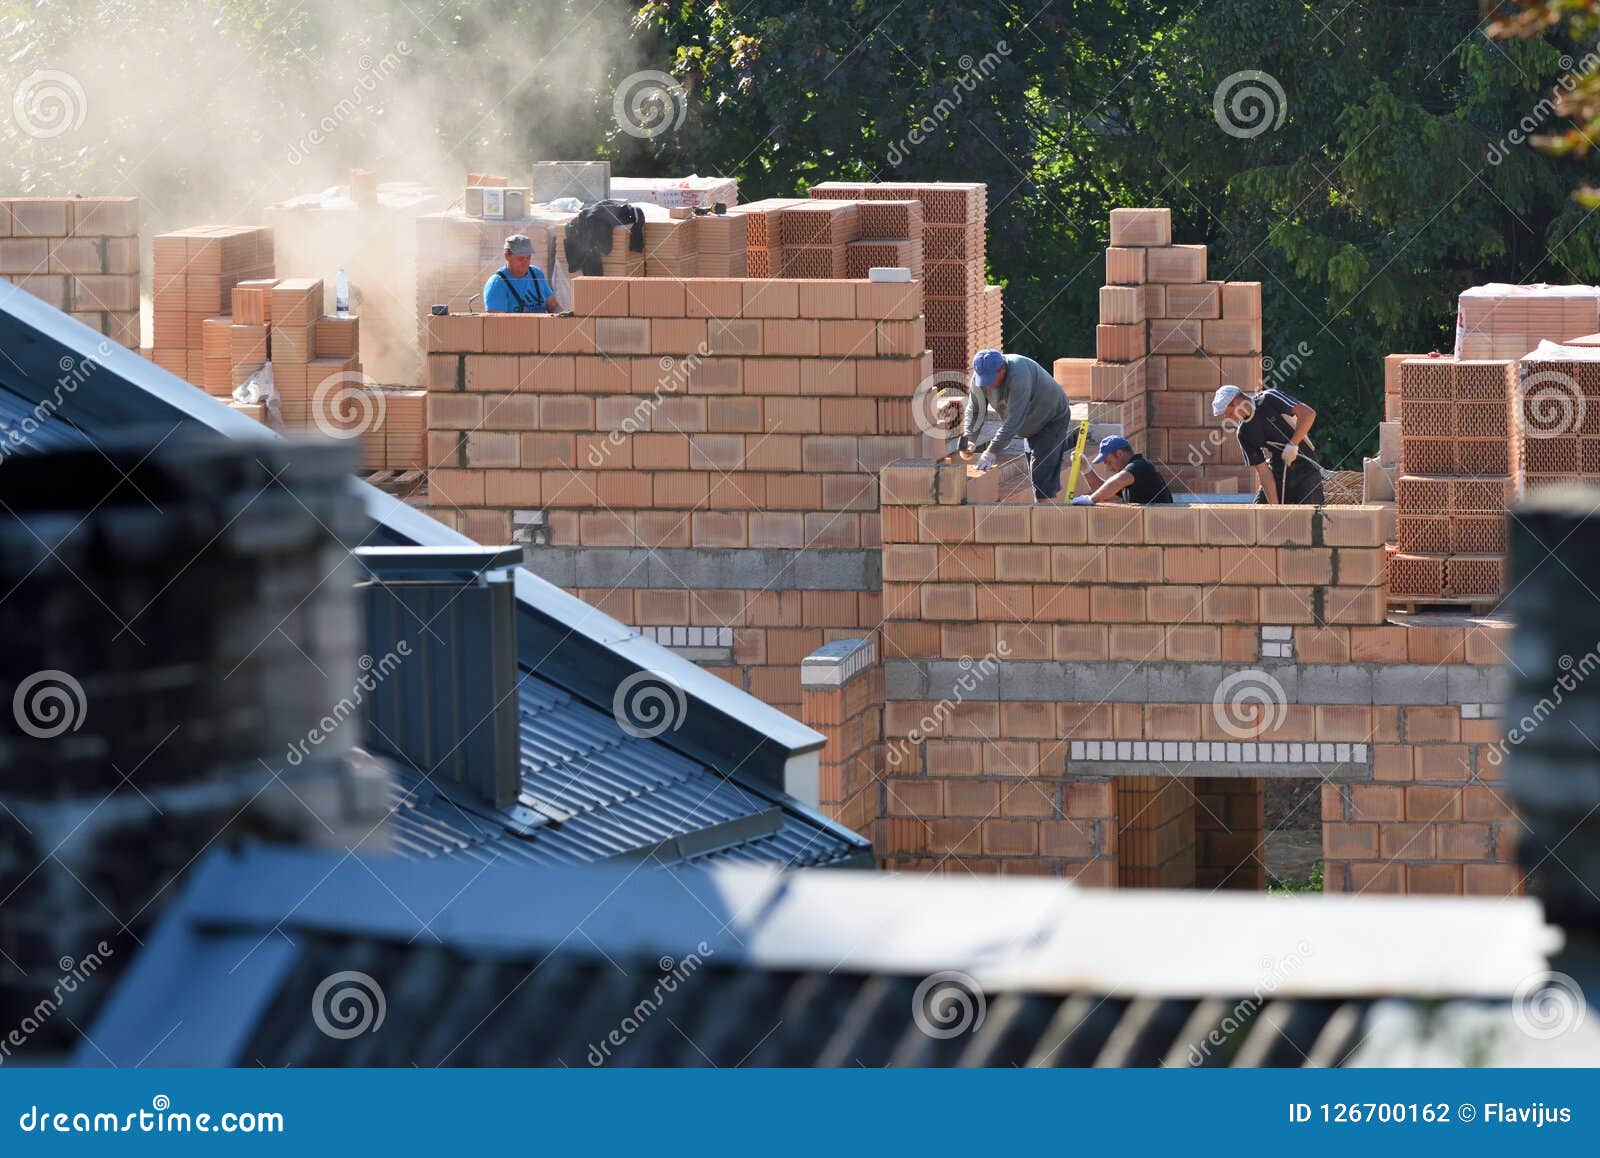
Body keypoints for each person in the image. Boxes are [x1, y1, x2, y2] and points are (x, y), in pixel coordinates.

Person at [960, 349, 1074, 502]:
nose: (988, 384)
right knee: (1036, 472)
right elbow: (975, 410)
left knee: (1041, 475)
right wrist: (970, 438)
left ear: (1003, 369)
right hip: (1029, 424)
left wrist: (990, 452)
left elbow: (1014, 420)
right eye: (984, 380)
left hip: (1051, 418)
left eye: (991, 379)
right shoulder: (981, 378)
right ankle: (1041, 510)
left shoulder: (1019, 374)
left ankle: (1045, 519)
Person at [1210, 383, 1322, 505]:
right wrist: (1274, 508)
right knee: (1260, 514)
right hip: (1278, 472)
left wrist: (1293, 444)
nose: (1227, 417)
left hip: (1306, 469)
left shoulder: (1269, 398)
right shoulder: (1244, 434)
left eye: (1229, 413)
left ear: (1236, 402)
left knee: (1310, 516)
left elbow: (1308, 414)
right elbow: (1263, 472)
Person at [1068, 435, 1173, 505]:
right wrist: (1086, 469)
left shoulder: (1140, 465)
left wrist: (1090, 499)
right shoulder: (1129, 477)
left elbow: (1117, 481)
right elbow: (1105, 492)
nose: (1109, 468)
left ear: (1119, 454)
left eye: (1109, 462)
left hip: (1162, 527)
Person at [483, 234, 560, 314]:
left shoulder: (536, 273)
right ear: (507, 256)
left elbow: (552, 306)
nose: (525, 262)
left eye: (528, 258)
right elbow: (497, 323)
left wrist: (565, 317)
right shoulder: (497, 283)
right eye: (520, 258)